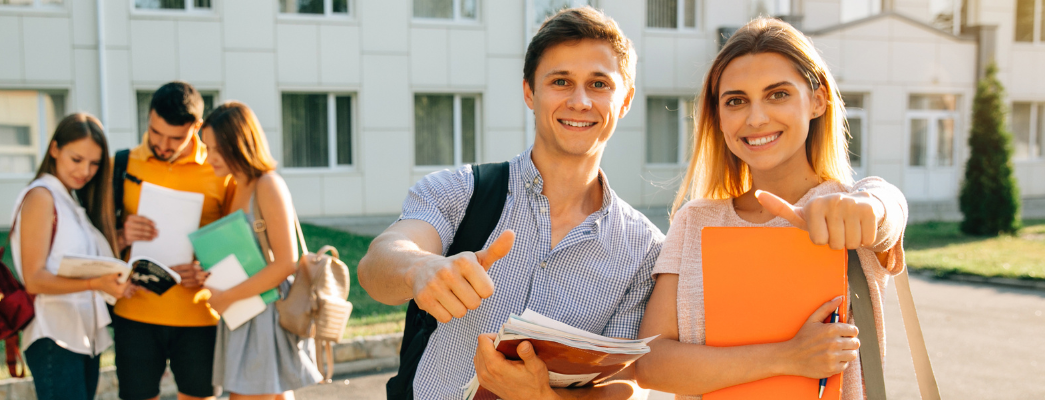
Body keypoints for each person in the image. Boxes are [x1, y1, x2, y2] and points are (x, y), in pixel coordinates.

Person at [359, 7, 662, 400]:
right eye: (561, 81)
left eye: (599, 84)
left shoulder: (644, 250)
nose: (580, 101)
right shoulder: (462, 190)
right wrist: (420, 269)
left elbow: (619, 386)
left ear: (625, 100)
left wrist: (542, 397)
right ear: (529, 93)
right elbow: (377, 263)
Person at [633, 18, 909, 400]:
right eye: (736, 101)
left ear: (817, 100)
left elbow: (887, 212)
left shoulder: (848, 210)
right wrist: (788, 357)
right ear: (718, 116)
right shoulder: (695, 222)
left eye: (777, 94)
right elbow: (650, 365)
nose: (756, 117)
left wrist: (875, 205)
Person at [112, 81, 234, 400]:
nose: (163, 145)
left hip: (199, 314)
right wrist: (123, 233)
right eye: (156, 133)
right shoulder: (121, 165)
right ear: (149, 118)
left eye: (175, 138)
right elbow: (96, 240)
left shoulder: (220, 168)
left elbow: (237, 241)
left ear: (196, 128)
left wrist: (208, 270)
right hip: (134, 312)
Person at [198, 101, 322, 400]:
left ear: (238, 144)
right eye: (206, 147)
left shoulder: (267, 185)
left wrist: (226, 297)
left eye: (216, 148)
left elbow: (285, 264)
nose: (208, 157)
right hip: (244, 311)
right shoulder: (233, 186)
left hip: (265, 312)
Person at [10, 113, 134, 400]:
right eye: (76, 159)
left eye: (94, 163)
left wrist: (122, 240)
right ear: (54, 149)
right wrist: (96, 284)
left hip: (81, 336)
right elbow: (35, 280)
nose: (85, 171)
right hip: (54, 334)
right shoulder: (42, 196)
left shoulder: (70, 199)